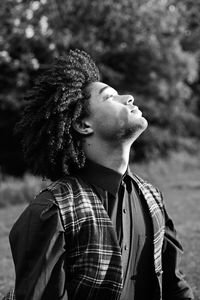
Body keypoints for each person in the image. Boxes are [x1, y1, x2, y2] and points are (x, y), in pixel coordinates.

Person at [6, 49, 194, 300]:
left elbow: (174, 287)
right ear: (84, 125)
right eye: (110, 98)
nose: (129, 97)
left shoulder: (153, 198)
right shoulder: (52, 212)